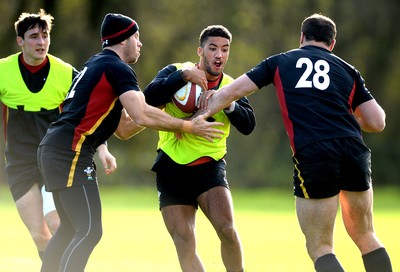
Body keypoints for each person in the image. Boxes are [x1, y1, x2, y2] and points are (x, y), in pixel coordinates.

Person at [202, 13, 392, 272]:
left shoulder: (281, 61)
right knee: (366, 236)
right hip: (353, 150)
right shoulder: (347, 69)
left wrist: (194, 118)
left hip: (315, 153)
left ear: (302, 37)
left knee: (320, 247)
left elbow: (232, 91)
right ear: (332, 43)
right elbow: (377, 121)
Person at [37, 13, 224, 272]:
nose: (140, 43)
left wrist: (172, 96)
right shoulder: (117, 68)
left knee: (70, 229)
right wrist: (188, 125)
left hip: (57, 148)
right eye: (136, 37)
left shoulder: (98, 64)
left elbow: (125, 128)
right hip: (71, 150)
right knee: (89, 230)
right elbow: (142, 113)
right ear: (123, 39)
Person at [0, 9, 116, 261]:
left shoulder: (66, 73)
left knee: (59, 226)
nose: (41, 42)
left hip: (55, 160)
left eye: (44, 35)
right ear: (20, 41)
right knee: (40, 236)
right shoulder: (2, 71)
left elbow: (89, 114)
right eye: (33, 36)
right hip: (20, 163)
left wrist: (103, 149)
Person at [144, 25, 255, 272]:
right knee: (185, 243)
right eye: (213, 48)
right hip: (171, 166)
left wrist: (226, 102)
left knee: (227, 230)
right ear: (200, 50)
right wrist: (183, 77)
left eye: (225, 50)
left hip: (209, 168)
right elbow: (149, 98)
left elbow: (249, 125)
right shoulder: (175, 71)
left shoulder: (230, 85)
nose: (219, 55)